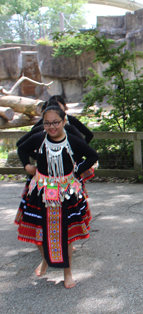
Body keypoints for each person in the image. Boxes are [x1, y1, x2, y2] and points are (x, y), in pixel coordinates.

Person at [15, 105, 98, 288]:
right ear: (42, 123)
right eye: (47, 123)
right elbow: (21, 148)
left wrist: (76, 172)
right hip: (41, 193)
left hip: (65, 194)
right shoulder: (38, 138)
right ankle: (46, 259)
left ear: (63, 122)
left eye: (56, 123)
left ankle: (67, 273)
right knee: (37, 230)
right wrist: (27, 167)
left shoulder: (73, 141)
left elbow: (93, 156)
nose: (52, 127)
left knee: (65, 235)